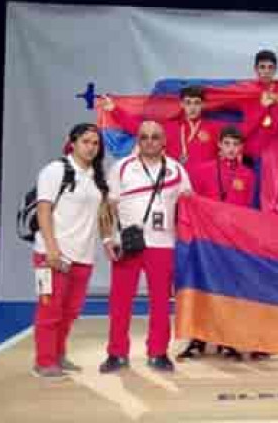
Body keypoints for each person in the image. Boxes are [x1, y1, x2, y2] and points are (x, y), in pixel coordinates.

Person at [99, 121, 192, 374]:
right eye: (144, 137)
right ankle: (117, 353)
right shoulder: (122, 168)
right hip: (128, 243)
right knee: (120, 301)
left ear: (164, 141)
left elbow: (189, 208)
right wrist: (107, 239)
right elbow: (107, 206)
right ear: (137, 141)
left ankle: (158, 352)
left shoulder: (177, 170)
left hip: (163, 245)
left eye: (155, 137)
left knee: (160, 302)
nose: (149, 141)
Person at [32, 123, 111, 378]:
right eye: (85, 141)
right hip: (52, 255)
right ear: (72, 142)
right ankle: (44, 362)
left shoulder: (97, 177)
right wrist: (51, 249)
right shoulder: (55, 170)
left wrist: (107, 239)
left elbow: (103, 214)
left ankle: (58, 354)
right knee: (49, 310)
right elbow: (43, 210)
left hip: (83, 256)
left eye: (95, 143)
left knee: (70, 312)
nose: (91, 147)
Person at [178, 125, 257, 361]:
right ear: (219, 145)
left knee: (229, 291)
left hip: (233, 244)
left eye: (236, 144)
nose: (231, 149)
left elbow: (250, 212)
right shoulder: (202, 170)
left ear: (241, 148)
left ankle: (227, 339)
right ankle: (197, 338)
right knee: (203, 289)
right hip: (206, 243)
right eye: (227, 144)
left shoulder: (248, 175)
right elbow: (191, 204)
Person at [101, 86, 218, 167]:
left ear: (203, 105)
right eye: (188, 102)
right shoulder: (169, 127)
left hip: (204, 186)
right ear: (182, 104)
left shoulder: (215, 128)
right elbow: (139, 128)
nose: (192, 107)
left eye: (197, 103)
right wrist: (114, 109)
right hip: (173, 183)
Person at [241, 49, 278, 161]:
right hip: (250, 151)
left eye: (270, 67)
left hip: (275, 152)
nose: (266, 71)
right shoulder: (245, 90)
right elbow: (220, 96)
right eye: (262, 67)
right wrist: (262, 106)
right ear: (256, 69)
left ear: (275, 69)